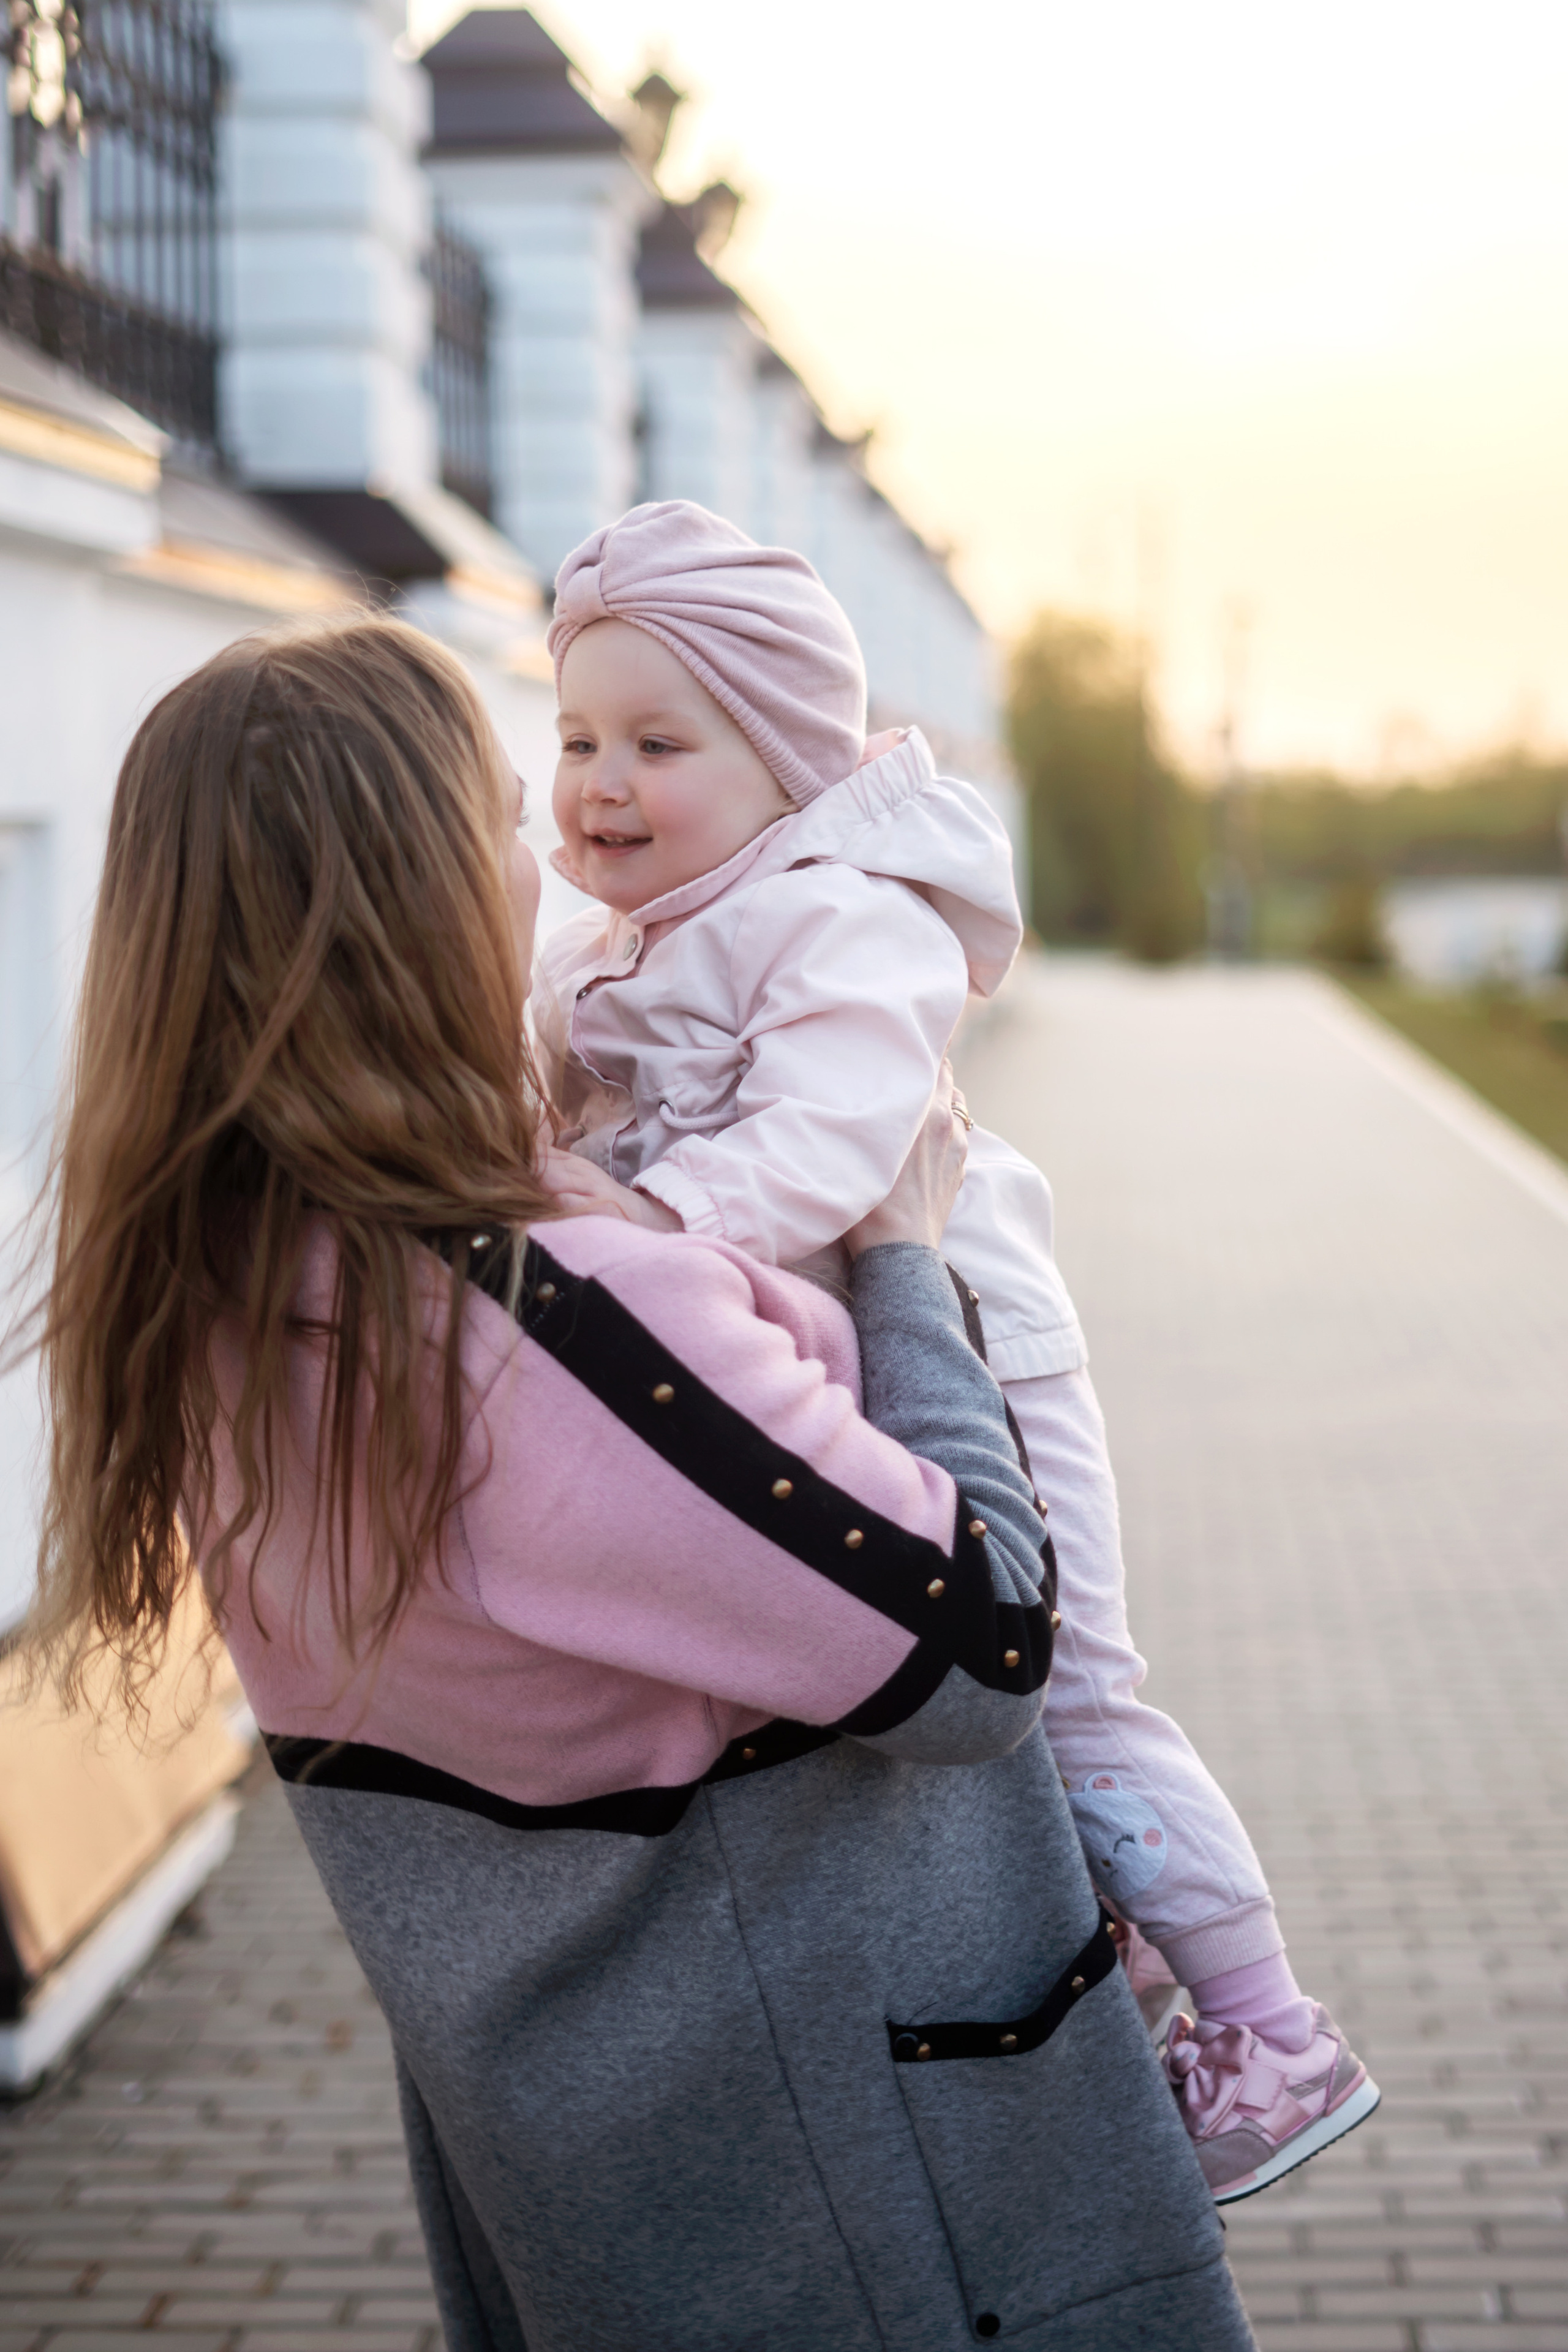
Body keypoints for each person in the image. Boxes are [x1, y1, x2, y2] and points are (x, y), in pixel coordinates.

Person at [29, 614, 1256, 2350]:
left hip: (609, 2192)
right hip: (880, 2213)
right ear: (419, 899)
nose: (543, 871)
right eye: (499, 828)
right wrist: (904, 1257)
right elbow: (983, 1644)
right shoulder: (537, 1320)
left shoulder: (218, 1298)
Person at [532, 499, 1379, 2203]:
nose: (599, 783)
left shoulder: (843, 918)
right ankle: (1120, 1963)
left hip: (984, 1344)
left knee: (1070, 1686)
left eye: (654, 742)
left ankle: (1271, 2029)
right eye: (573, 740)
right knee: (945, 1685)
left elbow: (826, 1150)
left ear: (781, 760)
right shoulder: (635, 938)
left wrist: (636, 1239)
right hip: (864, 1347)